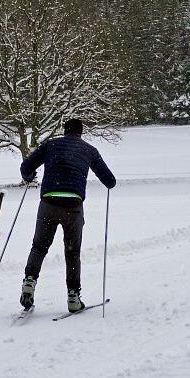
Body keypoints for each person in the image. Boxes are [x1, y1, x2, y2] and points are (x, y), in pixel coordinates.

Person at [18, 118, 116, 312]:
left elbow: (26, 168)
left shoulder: (51, 144)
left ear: (65, 131)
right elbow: (110, 180)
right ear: (81, 133)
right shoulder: (89, 150)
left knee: (39, 247)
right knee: (72, 253)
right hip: (73, 206)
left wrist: (29, 178)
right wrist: (107, 183)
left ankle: (29, 282)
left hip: (48, 202)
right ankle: (73, 297)